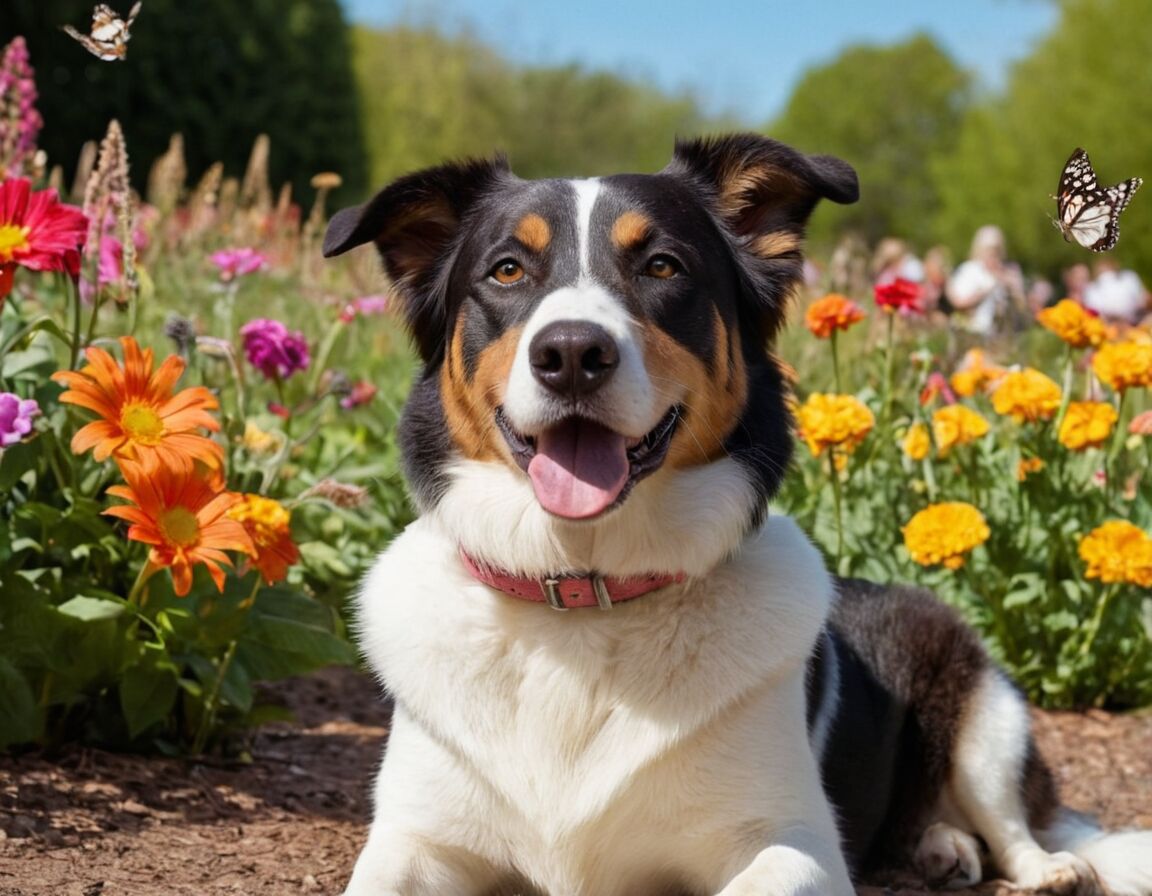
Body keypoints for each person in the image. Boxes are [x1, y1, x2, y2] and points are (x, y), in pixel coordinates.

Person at [945, 225, 1025, 336]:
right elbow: (958, 303)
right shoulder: (970, 270)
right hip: (973, 334)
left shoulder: (1009, 271)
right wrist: (989, 288)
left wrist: (1013, 290)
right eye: (990, 250)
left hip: (1002, 337)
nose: (994, 255)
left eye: (997, 251)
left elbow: (1022, 308)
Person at [1083, 258, 1148, 325]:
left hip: (1136, 320)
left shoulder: (1129, 278)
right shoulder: (1091, 289)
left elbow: (1143, 299)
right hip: (1108, 325)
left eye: (1107, 267)